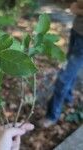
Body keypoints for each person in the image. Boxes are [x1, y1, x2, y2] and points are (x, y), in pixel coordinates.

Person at [40, 0, 83, 128]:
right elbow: (74, 5)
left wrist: (78, 10)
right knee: (70, 70)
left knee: (63, 79)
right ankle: (68, 97)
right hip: (76, 32)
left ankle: (52, 115)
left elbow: (76, 7)